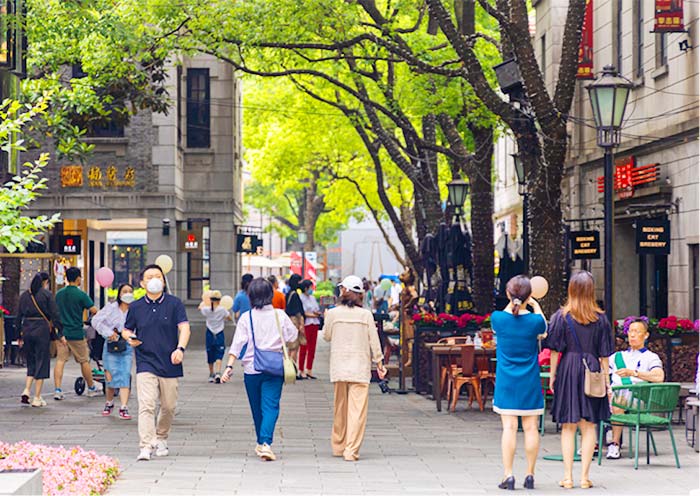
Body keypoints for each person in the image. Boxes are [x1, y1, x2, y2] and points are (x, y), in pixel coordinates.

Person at [547, 271, 614, 490]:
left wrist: (552, 375)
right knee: (589, 425)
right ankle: (585, 477)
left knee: (568, 426)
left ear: (571, 290)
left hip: (568, 369)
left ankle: (568, 477)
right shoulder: (600, 319)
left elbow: (555, 350)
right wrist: (607, 380)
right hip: (592, 369)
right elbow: (605, 354)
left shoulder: (561, 316)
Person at [222, 277, 298, 462]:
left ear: (251, 296)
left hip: (251, 369)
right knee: (271, 406)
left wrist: (229, 366)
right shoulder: (280, 315)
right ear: (270, 295)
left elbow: (237, 344)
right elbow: (292, 336)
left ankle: (263, 442)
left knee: (257, 408)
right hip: (274, 367)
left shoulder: (246, 317)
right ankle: (264, 443)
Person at [122, 264, 191, 461]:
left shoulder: (174, 303)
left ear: (163, 280)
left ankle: (161, 436)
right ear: (142, 283)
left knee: (168, 407)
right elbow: (127, 329)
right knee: (146, 404)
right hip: (145, 360)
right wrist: (129, 337)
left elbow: (184, 328)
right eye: (150, 276)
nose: (154, 279)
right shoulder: (135, 307)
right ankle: (146, 445)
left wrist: (180, 349)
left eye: (158, 276)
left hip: (170, 361)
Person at [490, 275, 547, 491]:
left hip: (506, 380)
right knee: (531, 427)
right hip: (530, 380)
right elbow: (544, 328)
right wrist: (534, 304)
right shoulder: (534, 321)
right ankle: (530, 475)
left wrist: (513, 300)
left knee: (509, 428)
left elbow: (505, 317)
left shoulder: (498, 318)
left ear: (508, 294)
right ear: (528, 295)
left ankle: (509, 474)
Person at [323, 275, 387, 462]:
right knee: (357, 411)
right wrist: (380, 364)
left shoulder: (333, 313)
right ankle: (351, 450)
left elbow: (326, 336)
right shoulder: (366, 315)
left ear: (344, 292)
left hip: (339, 366)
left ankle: (338, 446)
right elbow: (374, 343)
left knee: (340, 409)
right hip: (360, 367)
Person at [605, 318, 664, 459]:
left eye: (637, 332)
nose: (632, 335)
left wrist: (634, 373)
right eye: (630, 331)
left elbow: (659, 377)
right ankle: (591, 442)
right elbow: (603, 372)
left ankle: (614, 443)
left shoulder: (651, 357)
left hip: (638, 399)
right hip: (612, 395)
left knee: (619, 399)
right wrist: (607, 386)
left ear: (646, 335)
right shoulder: (617, 356)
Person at [17, 272, 63, 407]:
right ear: (45, 282)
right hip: (41, 330)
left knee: (30, 360)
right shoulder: (47, 295)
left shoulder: (24, 295)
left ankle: (26, 389)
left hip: (27, 329)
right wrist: (60, 332)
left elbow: (18, 315)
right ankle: (37, 397)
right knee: (41, 361)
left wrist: (18, 336)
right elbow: (55, 314)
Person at [53, 267, 99, 400]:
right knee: (84, 361)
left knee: (60, 360)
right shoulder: (81, 294)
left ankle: (58, 390)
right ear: (78, 278)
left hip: (62, 333)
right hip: (77, 333)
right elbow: (94, 310)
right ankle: (91, 388)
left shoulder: (59, 294)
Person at [92, 283, 135, 420]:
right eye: (124, 291)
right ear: (119, 294)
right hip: (111, 345)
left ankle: (124, 406)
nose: (127, 294)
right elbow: (96, 320)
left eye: (130, 291)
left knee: (125, 374)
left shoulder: (135, 310)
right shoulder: (111, 308)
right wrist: (109, 333)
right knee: (110, 375)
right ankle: (109, 402)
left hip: (127, 346)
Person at [199, 290, 232, 383]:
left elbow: (200, 308)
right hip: (219, 333)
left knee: (210, 352)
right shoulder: (222, 310)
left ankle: (211, 373)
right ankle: (218, 372)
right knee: (219, 352)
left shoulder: (206, 309)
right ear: (220, 300)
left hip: (209, 333)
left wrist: (203, 303)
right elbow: (229, 318)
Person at [298, 279, 321, 379]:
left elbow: (316, 309)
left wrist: (316, 314)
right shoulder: (301, 298)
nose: (312, 289)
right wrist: (313, 315)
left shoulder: (312, 298)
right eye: (310, 287)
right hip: (306, 324)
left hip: (314, 324)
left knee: (312, 348)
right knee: (304, 347)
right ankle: (301, 369)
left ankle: (309, 369)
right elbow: (303, 312)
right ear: (306, 288)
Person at [285, 274, 305, 367]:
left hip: (288, 321)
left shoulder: (288, 293)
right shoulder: (295, 295)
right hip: (295, 321)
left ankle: (288, 367)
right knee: (295, 347)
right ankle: (293, 368)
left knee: (290, 347)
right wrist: (301, 324)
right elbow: (298, 311)